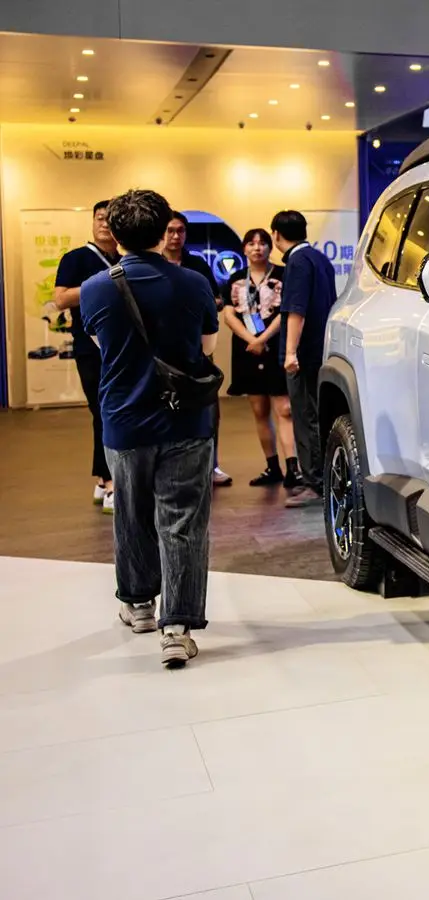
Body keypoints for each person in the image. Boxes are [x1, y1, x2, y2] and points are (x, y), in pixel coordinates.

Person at [78, 189, 219, 668]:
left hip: (124, 420)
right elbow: (208, 347)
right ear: (164, 232)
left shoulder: (96, 288)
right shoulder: (195, 283)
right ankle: (177, 629)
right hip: (187, 420)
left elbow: (101, 345)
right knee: (183, 522)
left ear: (115, 236)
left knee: (131, 513)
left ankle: (138, 606)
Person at [51, 200, 119, 513]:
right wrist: (105, 282)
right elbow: (61, 299)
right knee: (103, 411)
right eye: (100, 218)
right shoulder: (76, 258)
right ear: (92, 222)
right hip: (90, 349)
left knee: (111, 412)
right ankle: (111, 482)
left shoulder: (126, 259)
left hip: (122, 348)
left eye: (111, 219)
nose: (105, 224)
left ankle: (103, 479)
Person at [221, 228, 296, 487]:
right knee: (259, 410)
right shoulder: (235, 279)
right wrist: (251, 340)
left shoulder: (282, 274)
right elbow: (229, 315)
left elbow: (286, 312)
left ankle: (293, 468)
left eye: (262, 243)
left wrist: (262, 339)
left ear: (270, 247)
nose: (257, 248)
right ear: (244, 248)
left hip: (276, 347)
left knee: (284, 408)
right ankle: (272, 467)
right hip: (247, 351)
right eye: (251, 243)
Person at [273, 210, 338, 509]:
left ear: (276, 235)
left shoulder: (297, 262)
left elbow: (295, 310)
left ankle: (314, 483)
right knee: (316, 415)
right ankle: (323, 477)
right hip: (320, 349)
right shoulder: (320, 258)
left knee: (304, 416)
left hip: (303, 354)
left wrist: (290, 353)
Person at [163, 211, 232, 487]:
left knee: (206, 406)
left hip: (197, 345)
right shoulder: (153, 264)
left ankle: (211, 465)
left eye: (180, 230)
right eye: (170, 230)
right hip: (162, 349)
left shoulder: (197, 264)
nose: (175, 236)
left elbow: (217, 300)